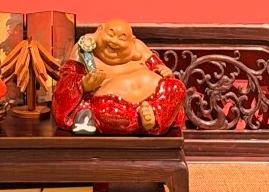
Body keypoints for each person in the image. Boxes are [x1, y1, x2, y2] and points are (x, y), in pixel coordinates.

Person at [52, 19, 185, 135]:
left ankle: (154, 117)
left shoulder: (139, 47)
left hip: (152, 99)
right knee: (105, 113)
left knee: (177, 88)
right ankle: (142, 121)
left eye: (121, 39)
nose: (114, 42)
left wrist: (166, 72)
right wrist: (83, 85)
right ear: (100, 30)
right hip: (112, 104)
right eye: (110, 35)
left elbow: (162, 71)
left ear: (132, 41)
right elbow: (66, 83)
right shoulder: (84, 48)